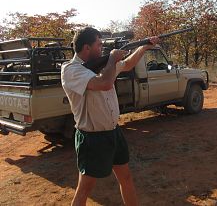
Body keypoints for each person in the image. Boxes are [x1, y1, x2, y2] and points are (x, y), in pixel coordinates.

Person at [61, 27, 159, 206]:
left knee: (126, 178)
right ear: (86, 48)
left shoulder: (103, 65)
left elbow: (128, 64)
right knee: (85, 188)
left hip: (113, 132)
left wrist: (144, 46)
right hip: (92, 137)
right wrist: (112, 59)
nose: (101, 48)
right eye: (98, 45)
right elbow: (105, 83)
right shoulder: (71, 70)